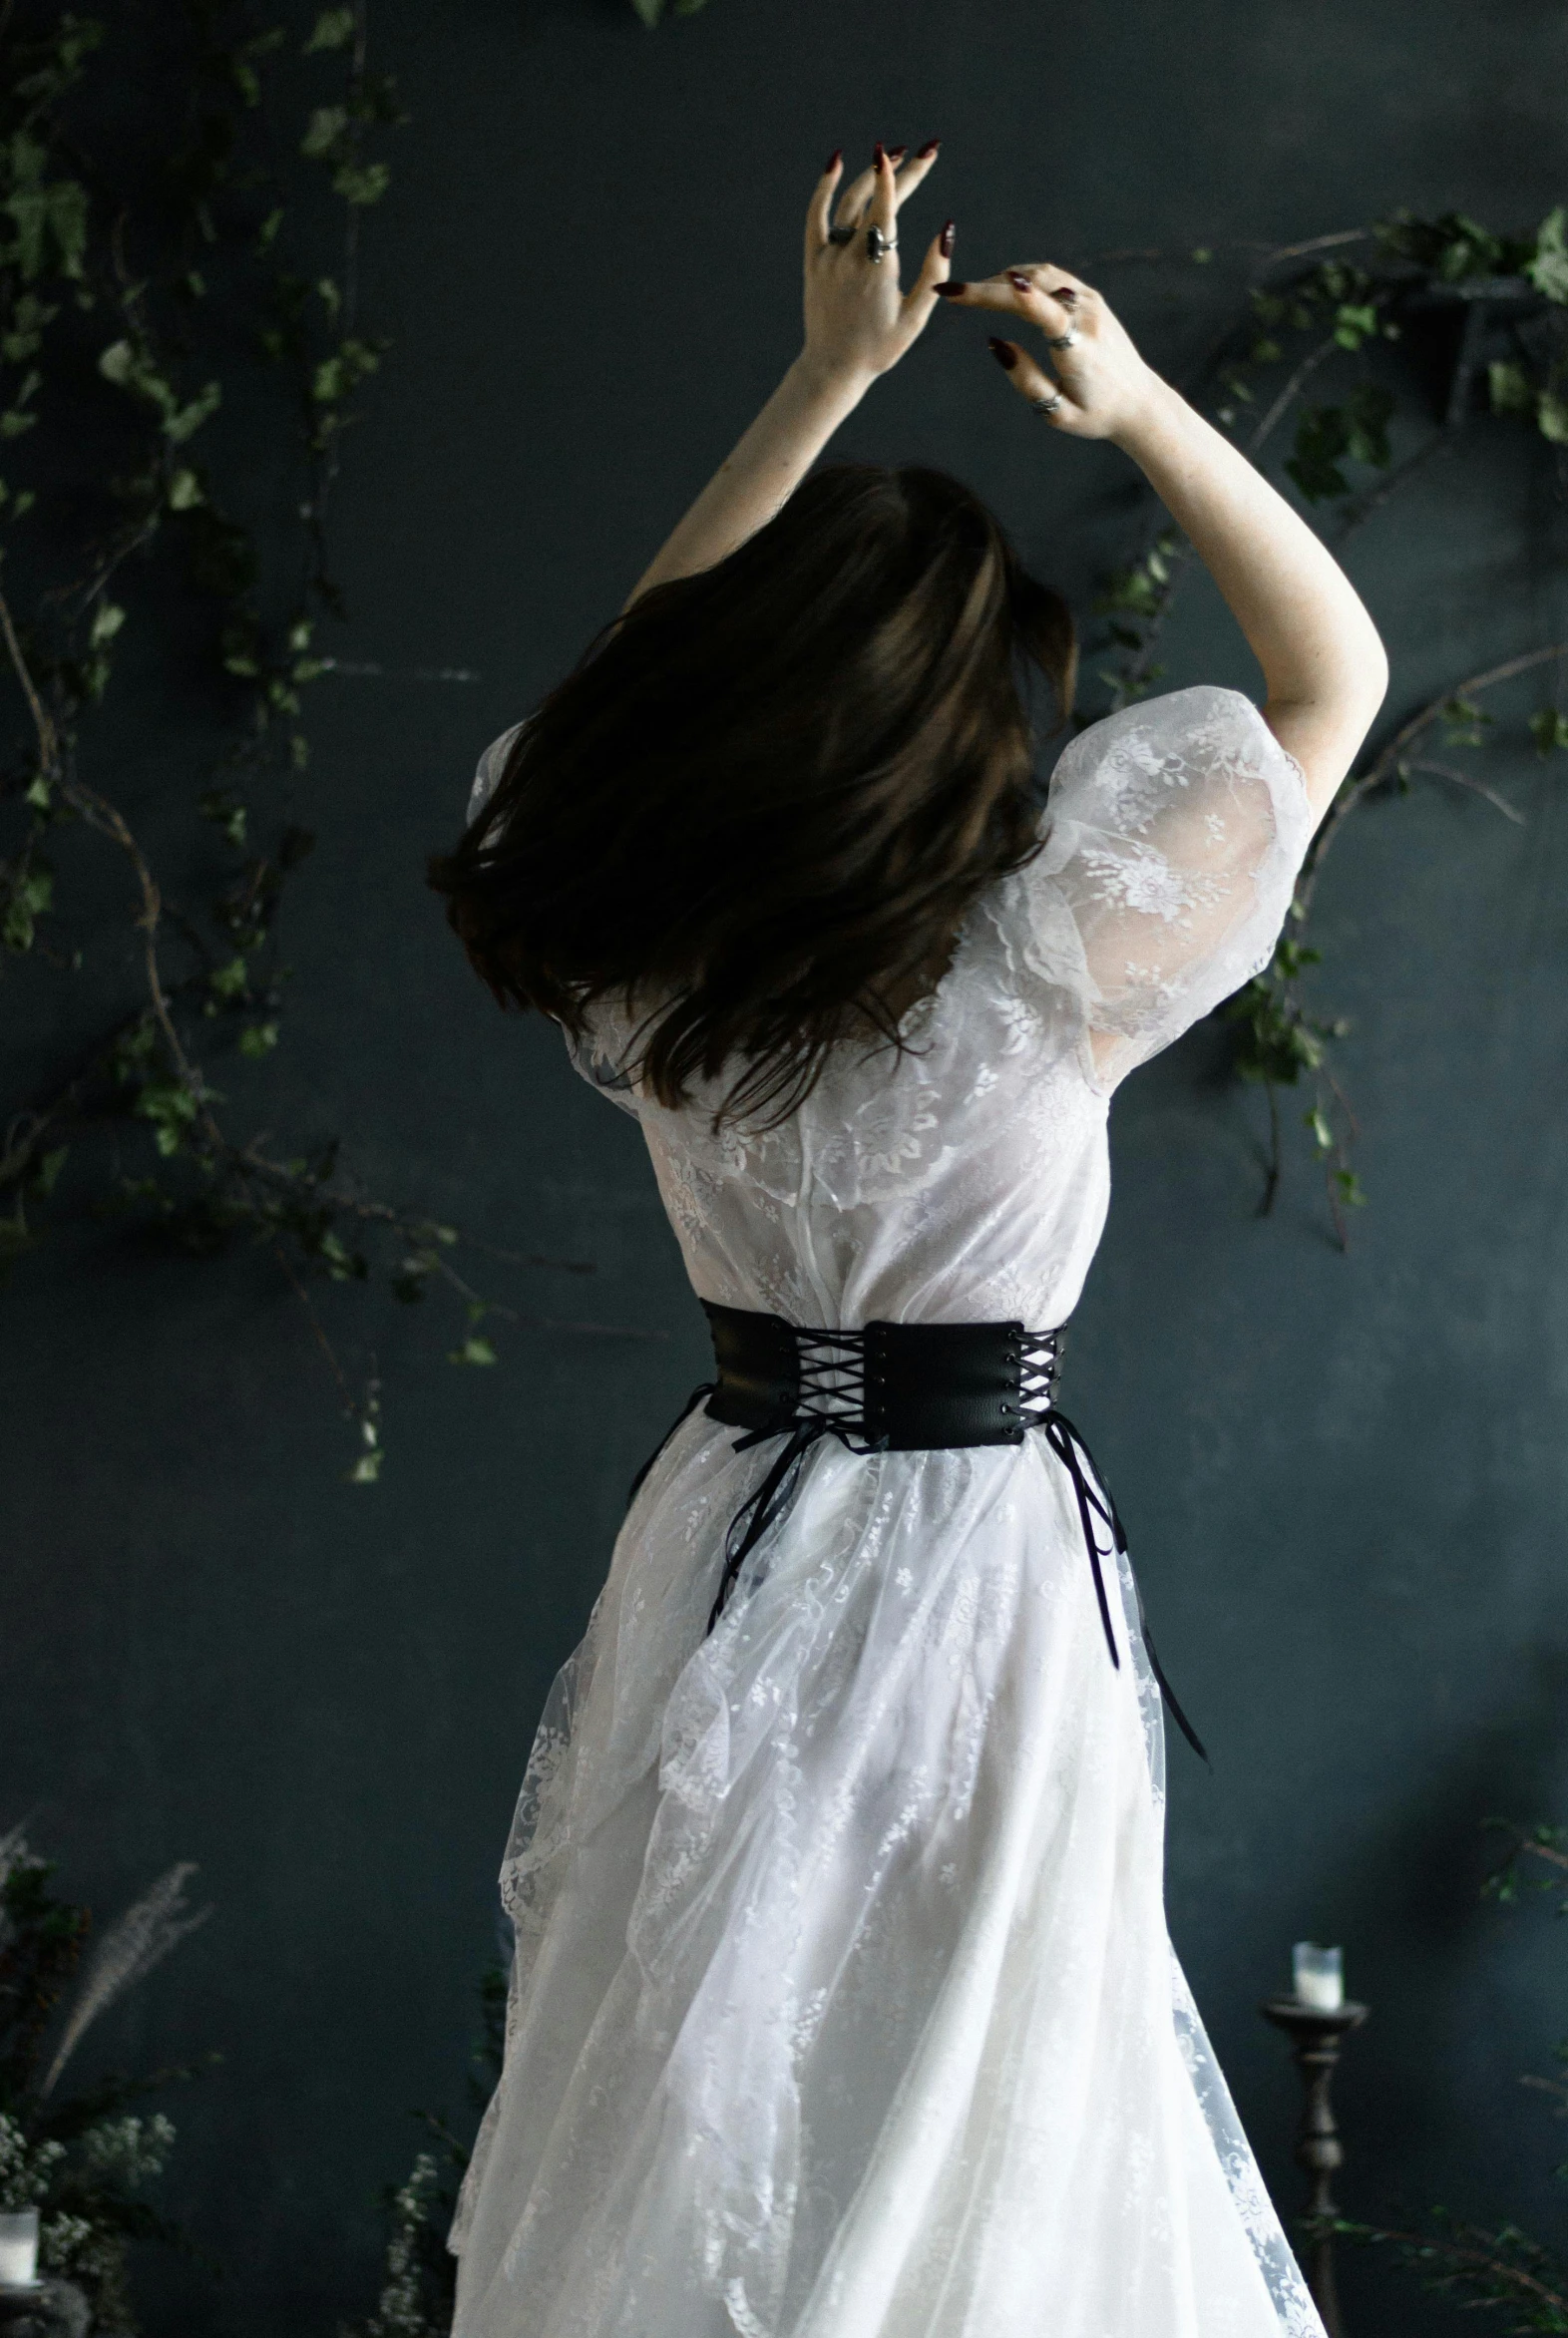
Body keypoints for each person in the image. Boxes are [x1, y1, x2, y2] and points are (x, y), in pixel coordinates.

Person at [429, 135, 1386, 2338]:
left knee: (698, 2078)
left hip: (730, 1534)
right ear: (973, 718)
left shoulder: (649, 945)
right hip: (969, 1576)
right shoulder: (1055, 967)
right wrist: (1138, 404)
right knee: (981, 2096)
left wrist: (819, 386)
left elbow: (617, 707)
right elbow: (1329, 679)